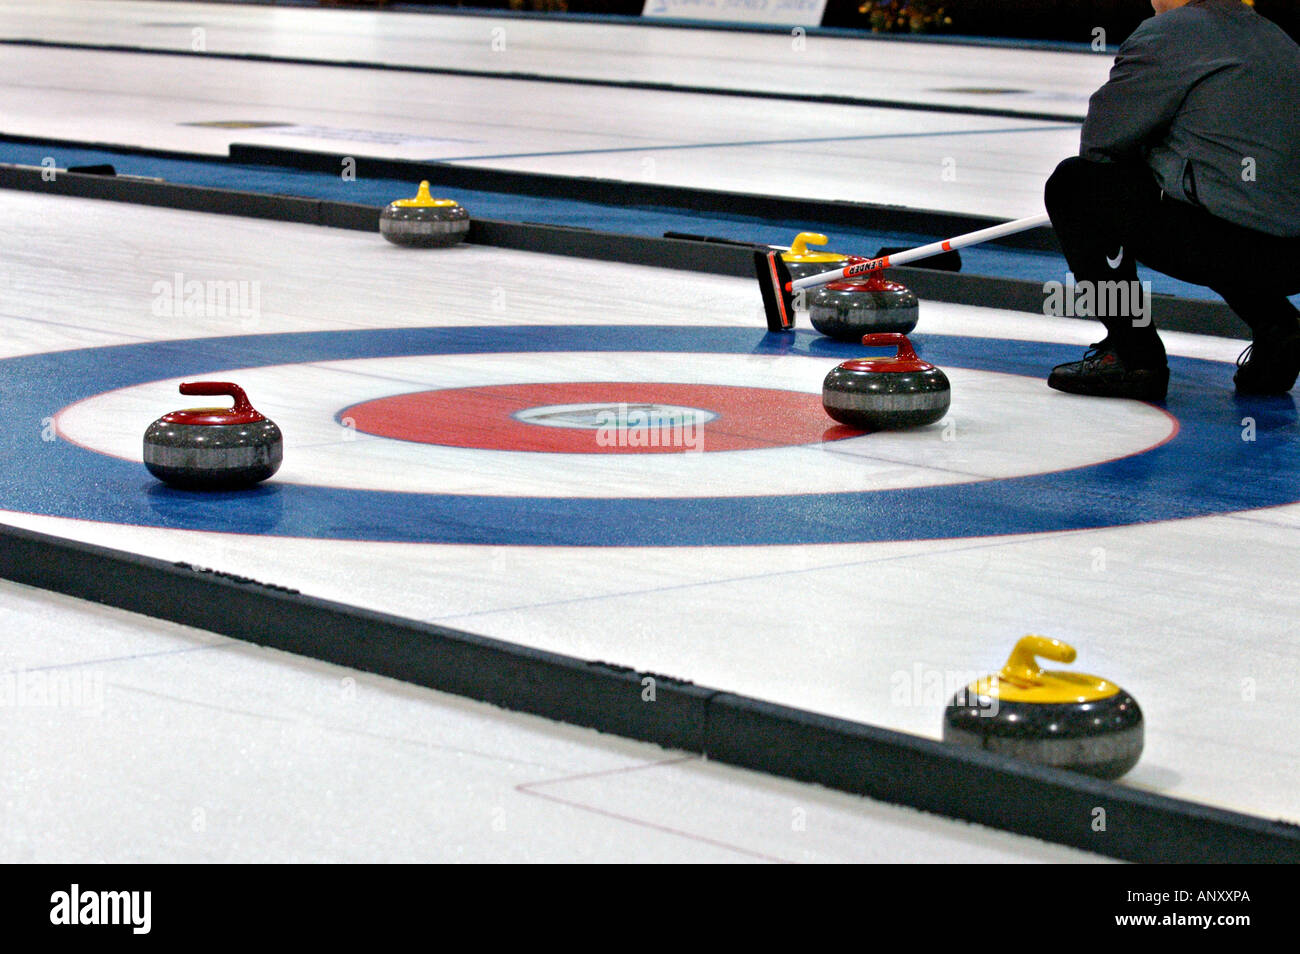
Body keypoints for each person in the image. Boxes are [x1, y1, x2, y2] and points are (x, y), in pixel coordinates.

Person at [1045, 0, 1300, 400]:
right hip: (1290, 258)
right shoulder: (1277, 36)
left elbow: (1100, 144)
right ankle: (1278, 329)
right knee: (1226, 196)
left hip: (1229, 243)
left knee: (1075, 186)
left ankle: (1134, 356)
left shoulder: (1167, 33)